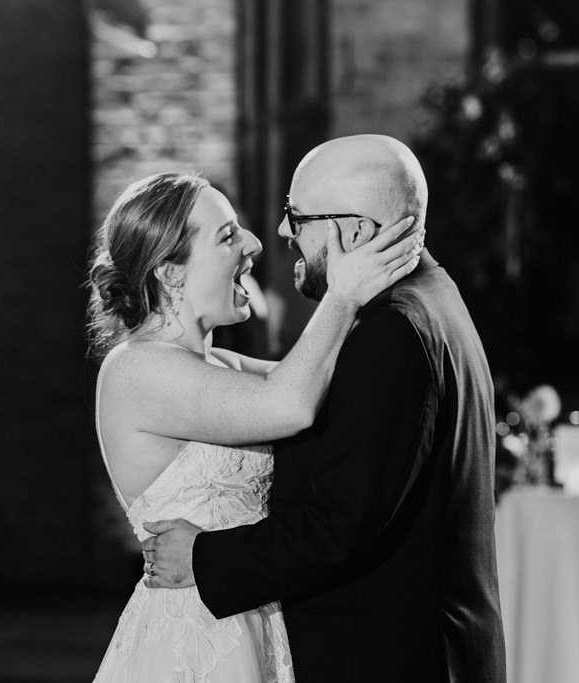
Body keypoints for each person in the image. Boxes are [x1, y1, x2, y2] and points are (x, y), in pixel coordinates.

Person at [142, 135, 508, 682]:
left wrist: (205, 559)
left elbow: (344, 523)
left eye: (297, 216)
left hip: (388, 656)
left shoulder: (392, 331)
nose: (284, 232)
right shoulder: (432, 301)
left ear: (354, 231)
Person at [87, 170, 423, 682]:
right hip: (194, 636)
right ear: (170, 273)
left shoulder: (220, 365)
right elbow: (291, 404)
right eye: (227, 236)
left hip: (250, 613)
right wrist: (342, 295)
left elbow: (334, 385)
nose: (255, 243)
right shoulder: (136, 369)